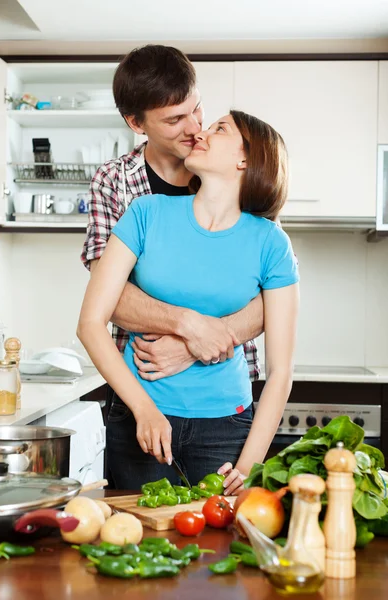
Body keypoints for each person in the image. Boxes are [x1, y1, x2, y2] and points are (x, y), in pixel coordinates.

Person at [77, 109, 300, 496]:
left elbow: (281, 370)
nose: (200, 132)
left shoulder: (271, 242)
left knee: (218, 550)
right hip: (138, 421)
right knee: (134, 543)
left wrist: (250, 465)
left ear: (244, 159)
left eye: (219, 129)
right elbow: (91, 324)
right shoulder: (146, 213)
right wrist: (143, 409)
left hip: (225, 430)